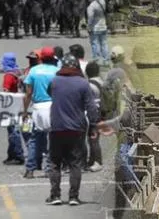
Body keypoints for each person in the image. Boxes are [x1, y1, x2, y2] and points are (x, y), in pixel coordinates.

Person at [45, 54, 99, 206]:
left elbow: (50, 93)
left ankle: (55, 195)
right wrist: (93, 126)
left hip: (57, 128)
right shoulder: (83, 83)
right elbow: (91, 107)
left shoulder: (54, 81)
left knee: (55, 163)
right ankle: (73, 197)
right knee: (75, 163)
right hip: (77, 129)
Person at [21, 46, 57, 179]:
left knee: (34, 139)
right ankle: (48, 169)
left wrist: (25, 111)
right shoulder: (57, 71)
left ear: (41, 57)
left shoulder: (34, 71)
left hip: (37, 107)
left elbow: (28, 93)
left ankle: (30, 169)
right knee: (51, 139)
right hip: (52, 106)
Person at [1, 52, 24, 165]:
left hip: (11, 107)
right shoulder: (17, 72)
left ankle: (18, 155)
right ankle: (11, 155)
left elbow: (6, 92)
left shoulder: (8, 76)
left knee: (13, 131)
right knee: (12, 130)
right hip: (18, 105)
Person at [85, 62, 103, 172]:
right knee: (94, 137)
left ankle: (98, 161)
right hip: (102, 112)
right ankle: (91, 160)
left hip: (94, 113)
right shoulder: (102, 82)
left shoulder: (89, 84)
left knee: (93, 138)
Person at [87, 0, 109, 65]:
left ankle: (97, 61)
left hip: (95, 28)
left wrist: (89, 27)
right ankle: (106, 60)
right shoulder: (103, 3)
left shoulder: (91, 6)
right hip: (103, 26)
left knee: (95, 43)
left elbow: (90, 18)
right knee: (104, 43)